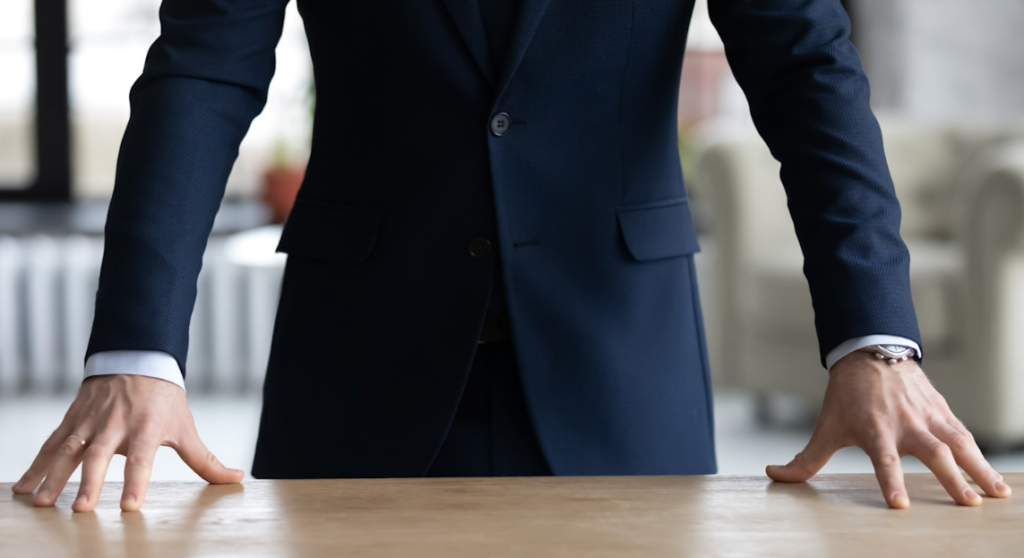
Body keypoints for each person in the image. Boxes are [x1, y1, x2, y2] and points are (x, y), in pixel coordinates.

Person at [12, 0, 1011, 512]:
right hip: (361, 365)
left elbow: (804, 67)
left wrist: (872, 339)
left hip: (620, 362)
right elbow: (202, 67)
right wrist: (138, 350)